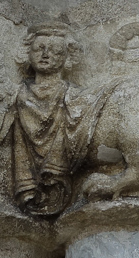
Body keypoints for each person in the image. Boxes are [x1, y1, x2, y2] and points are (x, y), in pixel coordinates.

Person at [13, 23, 89, 217]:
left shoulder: (75, 97)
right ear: (27, 53)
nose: (45, 54)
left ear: (67, 57)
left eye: (55, 50)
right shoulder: (17, 95)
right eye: (38, 48)